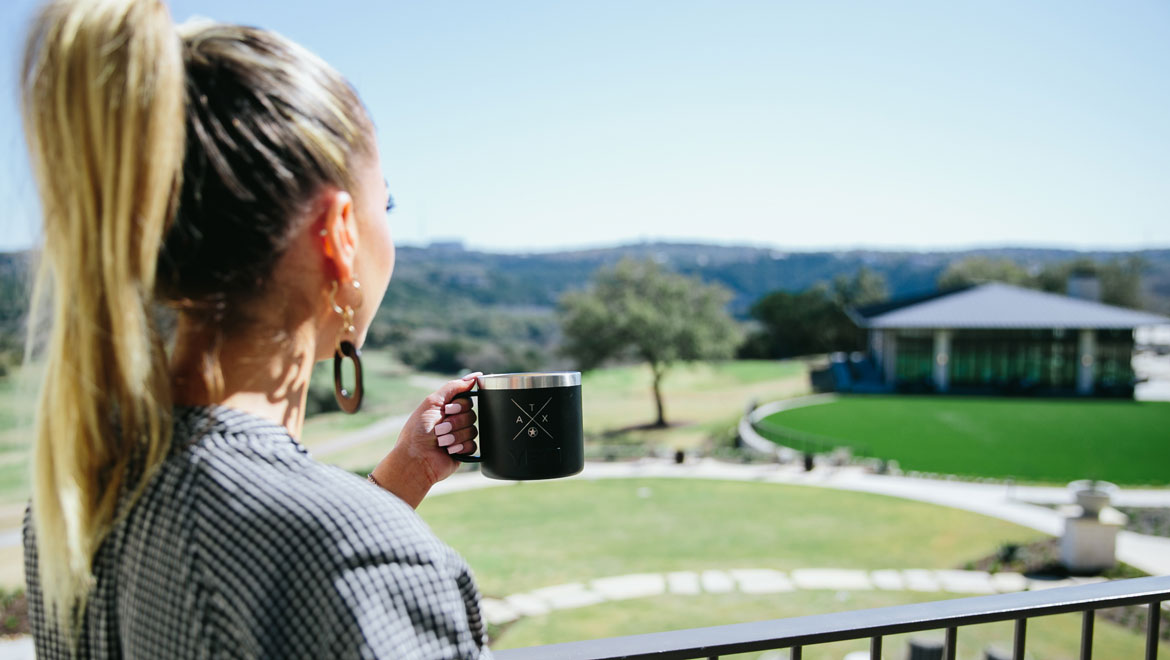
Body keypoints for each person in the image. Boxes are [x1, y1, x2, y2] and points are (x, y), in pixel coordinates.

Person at [20, 0, 491, 657]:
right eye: (387, 200)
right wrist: (372, 526)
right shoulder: (371, 564)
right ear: (337, 236)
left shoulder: (73, 505)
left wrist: (395, 484)